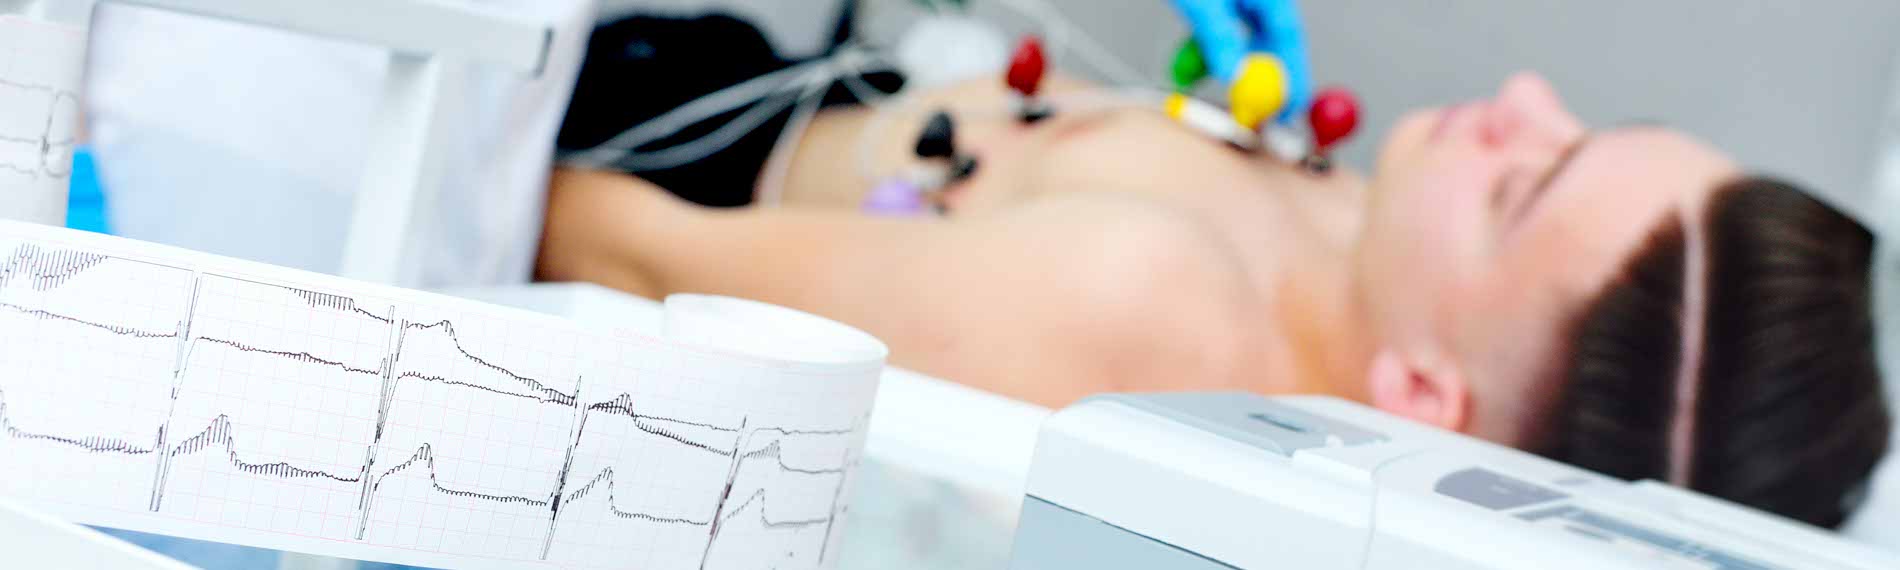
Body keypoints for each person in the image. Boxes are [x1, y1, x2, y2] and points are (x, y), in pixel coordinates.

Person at [538, 11, 1890, 528]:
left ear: (1422, 395)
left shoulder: (1129, 311)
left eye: (1521, 181)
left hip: (631, 137)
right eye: (1581, 132)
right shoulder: (1361, 275)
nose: (1524, 96)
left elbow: (601, 242)